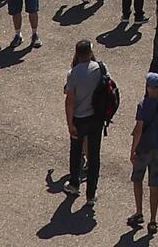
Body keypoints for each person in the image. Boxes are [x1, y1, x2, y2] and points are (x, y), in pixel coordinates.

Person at [62, 39, 113, 205]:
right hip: (96, 118)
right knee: (94, 155)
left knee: (76, 152)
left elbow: (69, 101)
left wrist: (70, 124)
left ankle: (74, 185)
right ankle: (91, 194)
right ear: (90, 53)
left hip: (79, 118)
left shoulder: (73, 74)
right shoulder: (100, 68)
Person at [127, 70, 158, 233]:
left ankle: (139, 212)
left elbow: (138, 130)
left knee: (137, 179)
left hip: (144, 149)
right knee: (154, 184)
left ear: (148, 87)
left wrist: (132, 150)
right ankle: (153, 220)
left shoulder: (143, 105)